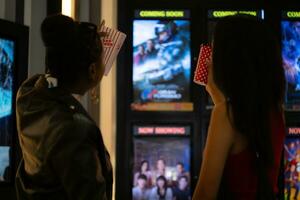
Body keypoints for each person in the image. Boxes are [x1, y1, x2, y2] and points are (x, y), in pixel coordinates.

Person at [15, 14, 113, 200]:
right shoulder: (76, 130)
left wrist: (83, 41)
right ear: (92, 71)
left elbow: (50, 78)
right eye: (102, 60)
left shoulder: (28, 95)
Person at [193, 15, 286, 199]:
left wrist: (220, 102)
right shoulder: (277, 111)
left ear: (230, 61)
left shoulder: (225, 115)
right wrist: (218, 98)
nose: (211, 59)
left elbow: (204, 194)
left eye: (215, 51)